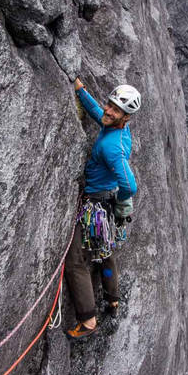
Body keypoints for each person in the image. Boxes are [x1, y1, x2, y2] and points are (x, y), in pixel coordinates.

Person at [65, 77, 140, 339]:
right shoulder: (117, 130)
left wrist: (121, 197)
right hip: (105, 205)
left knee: (76, 261)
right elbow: (100, 116)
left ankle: (88, 320)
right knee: (105, 251)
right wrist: (81, 91)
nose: (108, 110)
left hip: (95, 205)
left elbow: (130, 185)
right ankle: (113, 298)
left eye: (116, 109)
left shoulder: (111, 147)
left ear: (126, 117)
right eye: (110, 104)